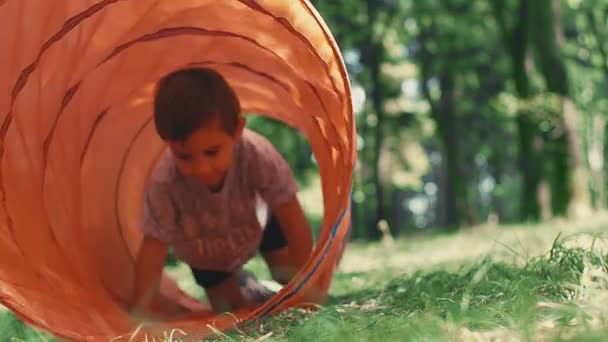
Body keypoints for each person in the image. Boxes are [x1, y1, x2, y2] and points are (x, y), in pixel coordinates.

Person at [127, 67, 314, 317]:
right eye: (184, 156)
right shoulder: (165, 181)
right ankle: (248, 287)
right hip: (206, 252)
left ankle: (265, 287)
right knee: (231, 312)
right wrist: (138, 313)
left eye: (212, 152)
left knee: (287, 275)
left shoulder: (256, 155)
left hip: (256, 224)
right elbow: (153, 248)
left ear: (237, 130)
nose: (201, 168)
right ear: (167, 143)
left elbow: (293, 219)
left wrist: (307, 290)